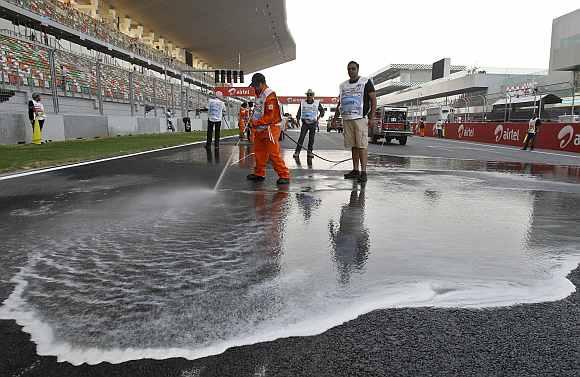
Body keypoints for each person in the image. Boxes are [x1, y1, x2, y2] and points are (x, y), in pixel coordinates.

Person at [333, 61, 376, 183]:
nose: (351, 71)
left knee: (362, 145)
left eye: (353, 69)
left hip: (360, 119)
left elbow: (373, 100)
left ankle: (363, 172)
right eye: (349, 69)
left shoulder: (365, 82)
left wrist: (372, 117)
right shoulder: (343, 85)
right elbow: (340, 103)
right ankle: (355, 170)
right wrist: (335, 119)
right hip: (347, 119)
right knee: (354, 145)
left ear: (357, 69)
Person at [246, 73, 290, 185]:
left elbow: (270, 116)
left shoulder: (270, 95)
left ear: (260, 83)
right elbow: (257, 111)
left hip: (271, 128)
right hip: (260, 128)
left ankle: (284, 175)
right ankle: (259, 173)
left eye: (255, 86)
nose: (254, 88)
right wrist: (252, 121)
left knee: (273, 153)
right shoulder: (259, 95)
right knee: (259, 151)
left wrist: (256, 123)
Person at [293, 89, 325, 159]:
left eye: (311, 94)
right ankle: (297, 151)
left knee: (311, 138)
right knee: (301, 137)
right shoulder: (303, 103)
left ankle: (309, 152)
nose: (309, 96)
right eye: (308, 94)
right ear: (306, 95)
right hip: (305, 123)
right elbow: (299, 112)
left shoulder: (317, 103)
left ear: (313, 95)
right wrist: (298, 120)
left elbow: (322, 111)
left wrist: (318, 118)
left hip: (313, 123)